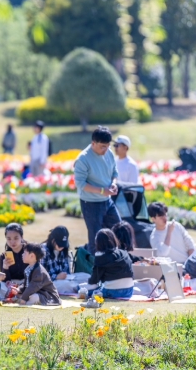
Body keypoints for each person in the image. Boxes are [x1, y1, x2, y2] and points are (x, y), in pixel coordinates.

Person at [74, 126, 122, 254]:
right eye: (102, 146)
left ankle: (117, 261)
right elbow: (80, 184)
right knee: (95, 239)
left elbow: (114, 172)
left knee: (119, 231)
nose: (106, 149)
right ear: (93, 143)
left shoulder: (109, 153)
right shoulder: (83, 159)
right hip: (91, 203)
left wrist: (113, 183)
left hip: (107, 201)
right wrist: (102, 191)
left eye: (108, 146)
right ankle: (94, 265)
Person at [39, 226, 88, 294]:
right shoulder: (43, 250)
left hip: (65, 279)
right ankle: (83, 288)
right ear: (52, 240)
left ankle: (83, 287)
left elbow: (67, 271)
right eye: (59, 244)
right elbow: (40, 275)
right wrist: (56, 277)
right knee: (66, 285)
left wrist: (66, 275)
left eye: (63, 244)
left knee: (86, 276)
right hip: (50, 282)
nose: (62, 247)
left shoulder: (64, 250)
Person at [88, 229, 134, 300]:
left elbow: (94, 280)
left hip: (112, 291)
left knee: (88, 290)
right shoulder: (124, 253)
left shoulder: (101, 257)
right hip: (129, 290)